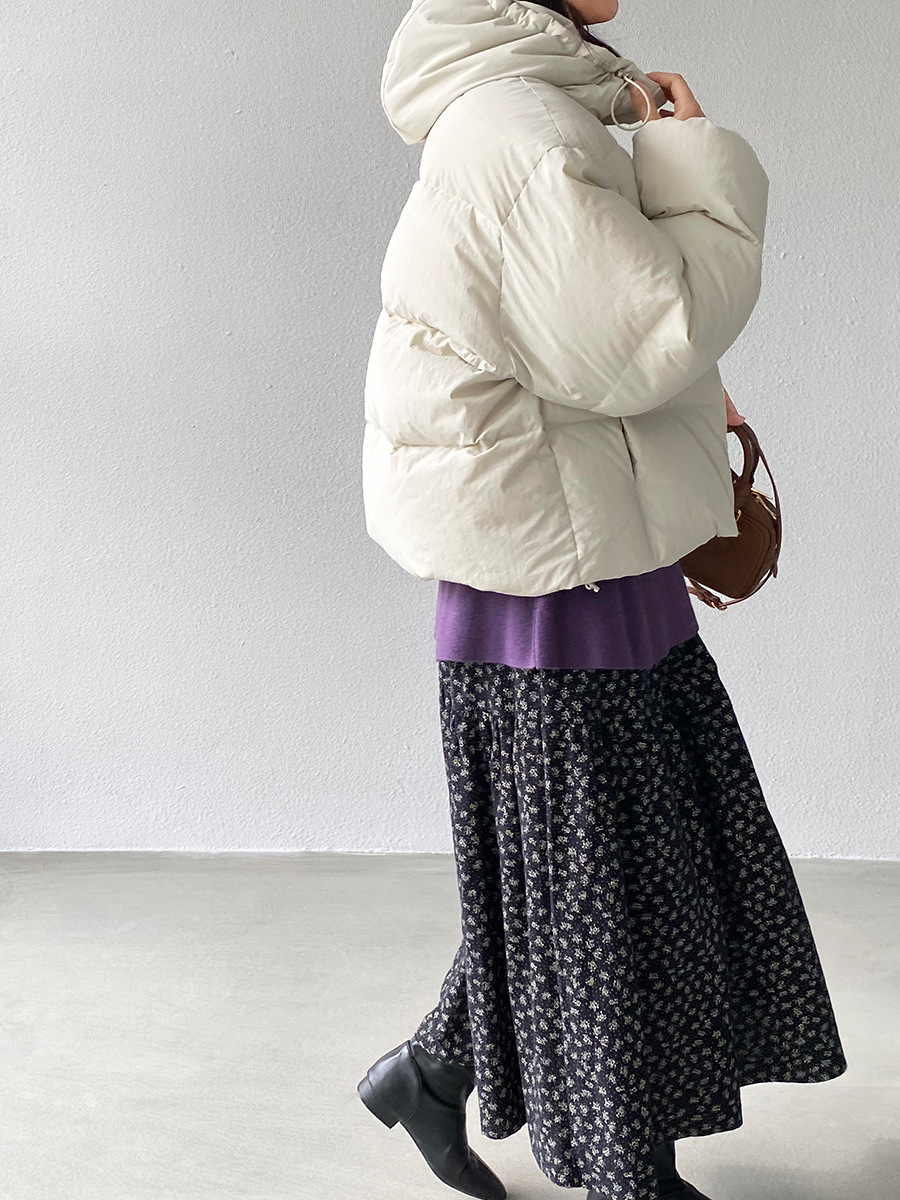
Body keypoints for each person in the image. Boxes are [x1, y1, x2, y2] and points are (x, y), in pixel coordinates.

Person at [356, 2, 848, 1198]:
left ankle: (433, 1072)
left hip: (587, 526)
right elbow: (650, 328)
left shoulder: (542, 112)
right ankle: (630, 1175)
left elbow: (585, 337)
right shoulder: (519, 131)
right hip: (552, 559)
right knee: (602, 871)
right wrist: (692, 165)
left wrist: (690, 398)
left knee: (616, 856)